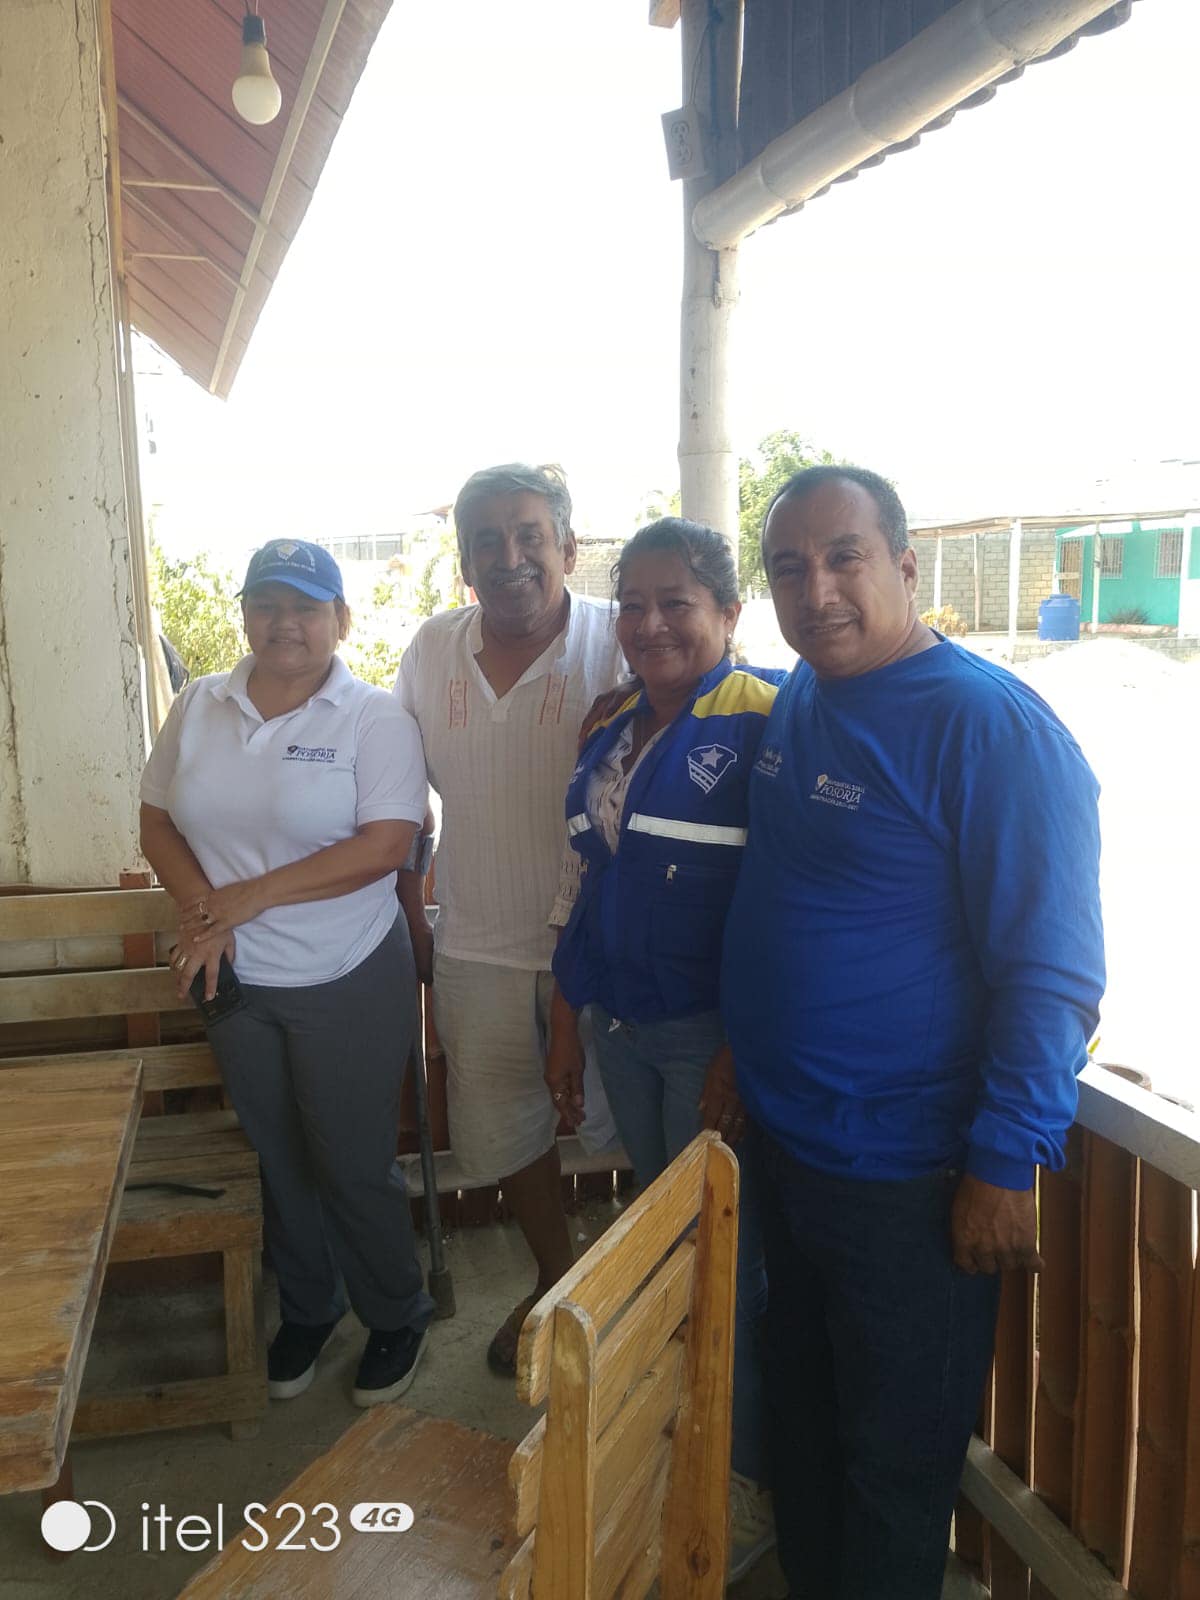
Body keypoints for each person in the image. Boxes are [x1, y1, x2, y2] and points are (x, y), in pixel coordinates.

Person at [721, 466, 1105, 1599]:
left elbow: (1052, 972)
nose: (817, 591)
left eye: (844, 558)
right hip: (790, 1149)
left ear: (905, 563)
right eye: (789, 568)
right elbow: (791, 892)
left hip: (908, 1175)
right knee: (804, 1419)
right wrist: (746, 1049)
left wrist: (1006, 1158)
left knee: (894, 1465)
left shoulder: (990, 728)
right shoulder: (807, 692)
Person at [140, 538, 434, 1408]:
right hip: (233, 977)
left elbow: (386, 845)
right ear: (244, 615)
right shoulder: (199, 703)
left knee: (352, 1162)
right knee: (277, 1154)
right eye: (267, 604)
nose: (286, 623)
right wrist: (206, 913)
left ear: (340, 619)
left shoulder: (373, 718)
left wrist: (245, 899)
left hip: (347, 971)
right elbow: (156, 821)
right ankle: (311, 1306)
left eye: (307, 607)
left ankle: (397, 1312)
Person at [548, 517, 782, 1583]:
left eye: (676, 602)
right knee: (663, 1232)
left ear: (728, 611)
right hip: (621, 1023)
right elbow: (587, 875)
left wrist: (740, 1047)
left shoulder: (771, 716)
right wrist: (569, 1017)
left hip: (705, 1037)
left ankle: (742, 1478)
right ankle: (682, 1439)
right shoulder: (611, 720)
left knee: (727, 1259)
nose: (650, 624)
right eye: (632, 605)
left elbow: (786, 898)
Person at [394, 463, 624, 1375]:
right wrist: (415, 916)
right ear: (464, 562)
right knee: (505, 1134)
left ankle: (641, 1297)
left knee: (638, 1126)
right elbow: (400, 800)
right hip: (477, 945)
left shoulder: (621, 637)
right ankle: (554, 1281)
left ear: (569, 546)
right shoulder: (430, 651)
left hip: (607, 950)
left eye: (530, 535)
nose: (510, 556)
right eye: (486, 540)